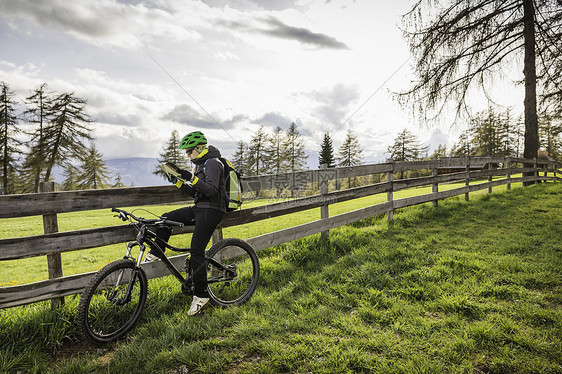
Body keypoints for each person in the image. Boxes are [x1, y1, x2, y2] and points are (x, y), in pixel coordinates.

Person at [145, 130, 226, 315]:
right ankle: (157, 251)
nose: (188, 156)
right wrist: (178, 182)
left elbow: (212, 191)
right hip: (200, 208)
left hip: (213, 210)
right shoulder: (199, 165)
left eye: (189, 151)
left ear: (200, 147)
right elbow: (197, 193)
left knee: (196, 251)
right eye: (186, 153)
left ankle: (201, 295)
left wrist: (190, 177)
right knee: (165, 218)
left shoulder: (213, 162)